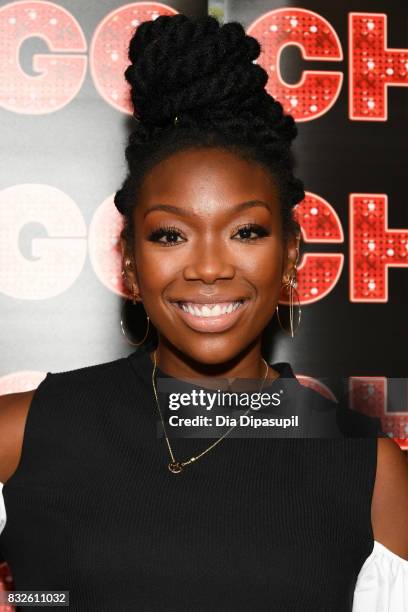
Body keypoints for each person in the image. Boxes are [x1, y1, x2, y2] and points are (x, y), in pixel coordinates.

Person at [0, 14, 407, 611]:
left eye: (245, 231)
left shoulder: (369, 471)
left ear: (290, 255)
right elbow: (44, 597)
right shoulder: (20, 434)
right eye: (170, 236)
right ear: (130, 263)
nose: (209, 268)